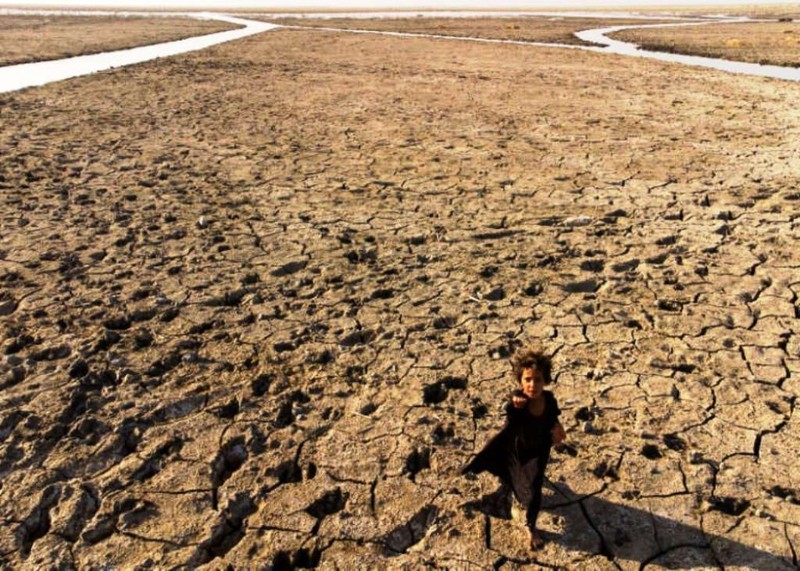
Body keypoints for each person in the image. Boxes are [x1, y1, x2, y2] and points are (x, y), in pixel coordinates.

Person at [463, 346, 566, 550]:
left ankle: (530, 525)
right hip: (517, 448)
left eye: (538, 379)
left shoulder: (550, 400)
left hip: (539, 450)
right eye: (527, 380)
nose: (533, 384)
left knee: (534, 487)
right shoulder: (519, 403)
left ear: (546, 380)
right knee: (509, 471)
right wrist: (515, 397)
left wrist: (558, 428)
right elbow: (513, 404)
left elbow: (554, 417)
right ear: (520, 382)